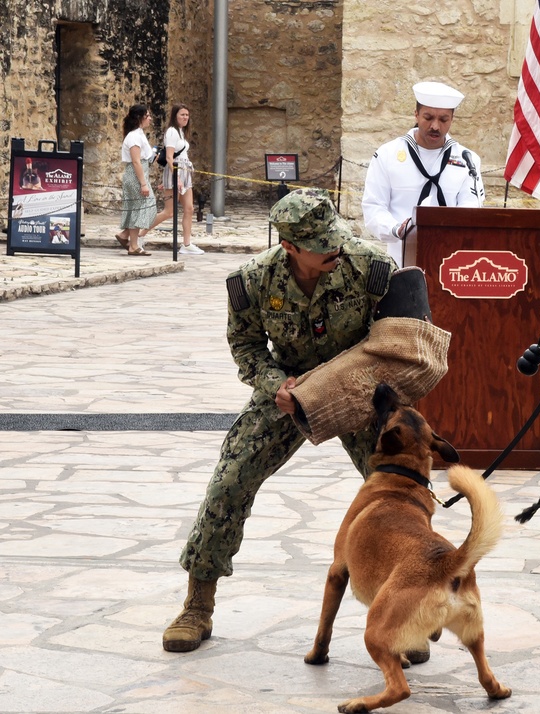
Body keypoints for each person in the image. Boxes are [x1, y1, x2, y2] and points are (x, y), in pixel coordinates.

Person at [162, 188, 397, 653]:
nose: (335, 248)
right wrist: (277, 386)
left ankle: (405, 608)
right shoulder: (252, 282)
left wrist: (370, 389)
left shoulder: (372, 268)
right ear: (289, 246)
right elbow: (246, 348)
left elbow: (401, 336)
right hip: (289, 388)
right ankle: (197, 604)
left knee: (396, 493)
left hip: (358, 389)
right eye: (320, 243)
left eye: (336, 236)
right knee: (229, 482)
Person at [362, 81, 485, 266]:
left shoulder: (467, 159)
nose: (435, 126)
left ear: (452, 119)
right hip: (401, 260)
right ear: (416, 114)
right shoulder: (387, 154)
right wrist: (396, 228)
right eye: (428, 117)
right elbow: (373, 207)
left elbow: (471, 208)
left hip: (451, 262)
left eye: (443, 120)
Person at [147, 104, 204, 255]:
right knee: (169, 211)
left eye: (187, 115)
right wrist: (176, 177)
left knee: (189, 208)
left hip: (185, 170)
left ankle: (186, 244)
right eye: (182, 115)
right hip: (176, 170)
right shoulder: (172, 132)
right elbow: (169, 157)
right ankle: (139, 234)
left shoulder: (181, 132)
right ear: (175, 116)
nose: (185, 117)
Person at [118, 105, 157, 256]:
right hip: (135, 176)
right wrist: (143, 183)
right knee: (140, 207)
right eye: (147, 116)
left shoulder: (139, 134)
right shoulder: (133, 136)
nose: (150, 119)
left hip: (140, 174)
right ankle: (133, 245)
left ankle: (125, 235)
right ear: (139, 118)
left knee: (143, 207)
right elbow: (136, 162)